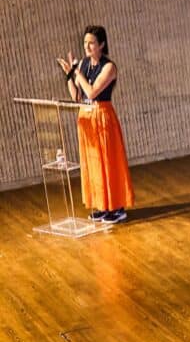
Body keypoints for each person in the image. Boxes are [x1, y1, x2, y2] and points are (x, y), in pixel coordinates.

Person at [56, 25, 134, 224]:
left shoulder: (109, 67)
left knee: (108, 162)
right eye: (85, 43)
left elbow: (92, 92)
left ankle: (116, 207)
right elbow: (78, 97)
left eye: (91, 43)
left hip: (102, 116)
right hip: (87, 117)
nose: (87, 46)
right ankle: (101, 204)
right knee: (93, 164)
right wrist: (69, 76)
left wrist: (77, 72)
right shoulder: (83, 64)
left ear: (102, 44)